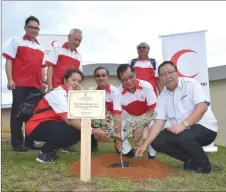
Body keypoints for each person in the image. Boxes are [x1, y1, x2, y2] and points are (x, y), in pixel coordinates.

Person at [136, 61, 218, 174]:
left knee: (183, 137)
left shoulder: (191, 84)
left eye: (170, 72)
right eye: (163, 74)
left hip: (205, 127)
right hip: (182, 130)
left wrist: (183, 125)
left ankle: (203, 166)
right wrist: (145, 144)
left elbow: (202, 107)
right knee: (157, 141)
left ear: (177, 72)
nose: (167, 76)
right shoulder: (163, 96)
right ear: (159, 78)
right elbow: (158, 122)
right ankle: (190, 160)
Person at [25, 68, 109, 163]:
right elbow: (70, 120)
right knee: (74, 129)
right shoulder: (58, 94)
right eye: (73, 80)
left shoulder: (70, 95)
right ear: (65, 80)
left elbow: (80, 116)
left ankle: (52, 148)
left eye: (79, 81)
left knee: (78, 131)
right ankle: (44, 152)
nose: (76, 83)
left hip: (51, 125)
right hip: (36, 126)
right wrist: (93, 131)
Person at [2, 15, 46, 152]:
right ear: (25, 28)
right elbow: (9, 61)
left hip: (36, 85)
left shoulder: (41, 47)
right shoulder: (16, 42)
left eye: (36, 28)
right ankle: (17, 144)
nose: (34, 30)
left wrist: (43, 82)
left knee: (32, 114)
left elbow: (41, 67)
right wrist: (10, 79)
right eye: (31, 27)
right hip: (20, 83)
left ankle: (30, 142)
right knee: (18, 114)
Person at [46, 28, 83, 153]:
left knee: (69, 116)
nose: (77, 42)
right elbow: (50, 67)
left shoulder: (79, 56)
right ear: (69, 37)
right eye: (75, 39)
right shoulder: (57, 50)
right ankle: (51, 143)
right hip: (57, 89)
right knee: (55, 117)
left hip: (70, 93)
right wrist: (50, 85)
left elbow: (78, 74)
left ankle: (65, 144)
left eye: (79, 40)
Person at [113, 64, 157, 158]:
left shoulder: (146, 86)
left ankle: (152, 153)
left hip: (148, 114)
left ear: (135, 73)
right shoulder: (117, 92)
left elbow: (152, 110)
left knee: (154, 126)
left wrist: (140, 125)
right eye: (124, 80)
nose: (128, 82)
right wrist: (117, 138)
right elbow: (117, 117)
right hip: (131, 116)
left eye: (131, 77)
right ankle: (128, 152)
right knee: (116, 128)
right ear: (120, 80)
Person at [89, 67, 117, 151]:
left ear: (107, 77)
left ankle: (118, 145)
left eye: (103, 75)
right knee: (84, 121)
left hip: (112, 119)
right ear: (95, 78)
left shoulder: (116, 91)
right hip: (96, 119)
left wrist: (110, 118)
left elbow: (119, 111)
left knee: (120, 122)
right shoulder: (91, 91)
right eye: (98, 76)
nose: (101, 78)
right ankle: (92, 145)